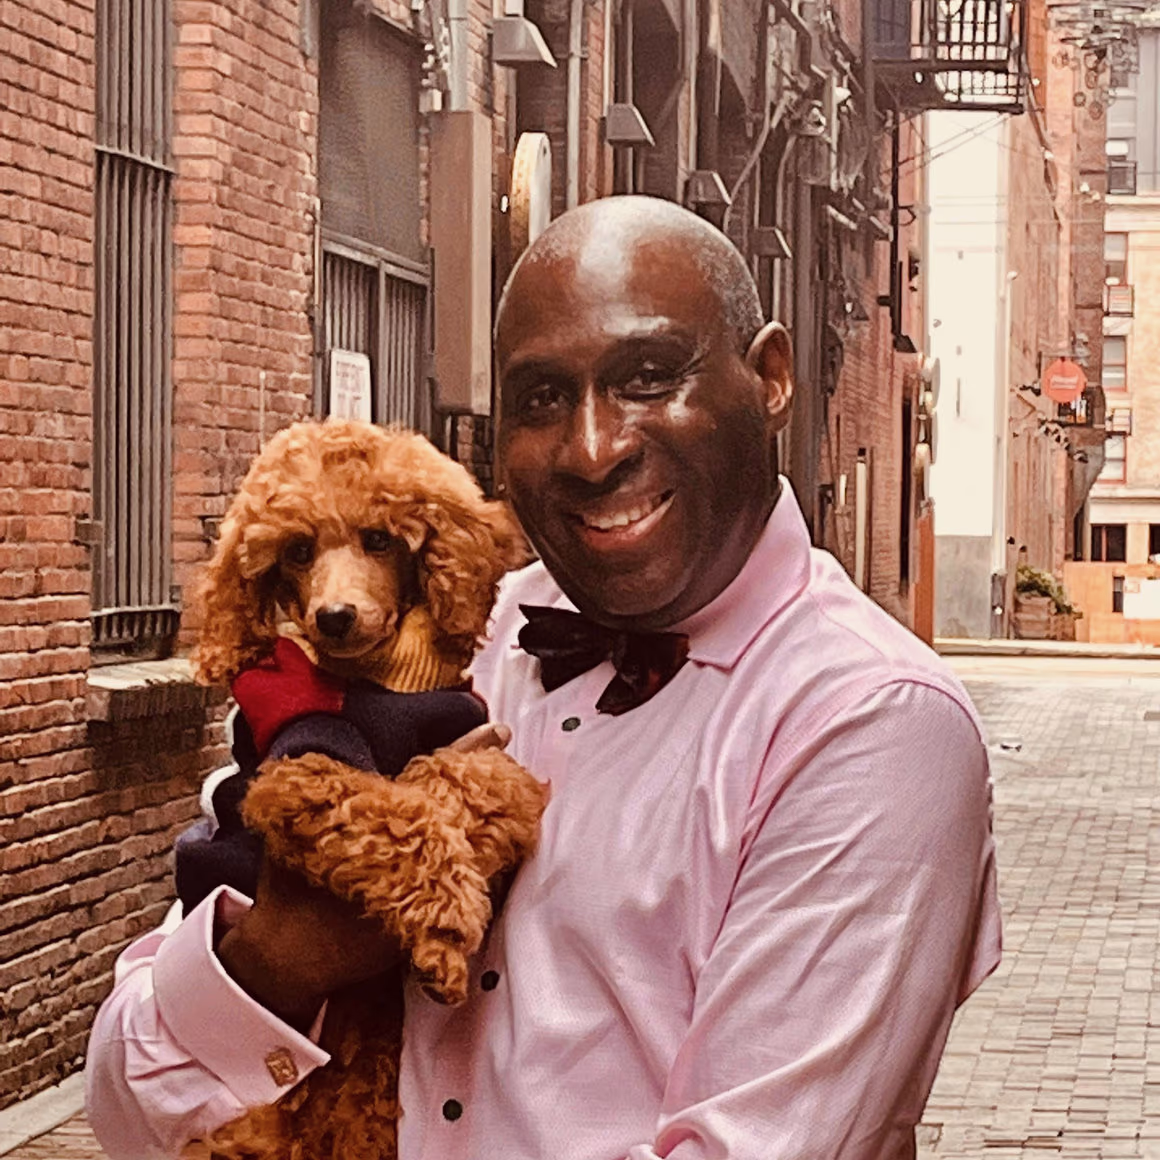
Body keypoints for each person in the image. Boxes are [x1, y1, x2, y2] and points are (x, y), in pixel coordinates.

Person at [86, 195, 1000, 1160]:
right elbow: (126, 1105)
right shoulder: (434, 644)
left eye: (649, 378)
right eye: (540, 399)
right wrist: (275, 962)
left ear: (770, 377)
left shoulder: (872, 723)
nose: (593, 449)